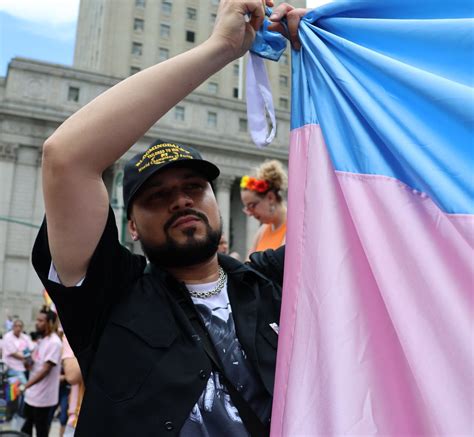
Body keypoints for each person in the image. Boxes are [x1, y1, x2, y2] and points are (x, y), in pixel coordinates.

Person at [31, 1, 307, 435]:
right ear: (133, 227)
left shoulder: (275, 281)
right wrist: (222, 48)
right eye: (157, 196)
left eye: (194, 188)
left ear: (217, 202)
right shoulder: (110, 296)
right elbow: (65, 157)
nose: (180, 200)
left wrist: (320, 60)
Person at [21, 308, 63, 437]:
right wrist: (26, 359)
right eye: (37, 320)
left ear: (50, 322)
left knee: (41, 429)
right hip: (32, 394)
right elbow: (33, 364)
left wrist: (25, 385)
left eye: (41, 320)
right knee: (27, 425)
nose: (37, 323)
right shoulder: (41, 340)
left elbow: (45, 370)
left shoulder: (54, 343)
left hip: (43, 397)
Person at [240, 160, 288, 254]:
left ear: (270, 198)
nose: (249, 213)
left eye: (252, 206)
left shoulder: (293, 228)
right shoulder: (262, 231)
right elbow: (248, 265)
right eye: (247, 208)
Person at [2, 319, 34, 421]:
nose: (18, 328)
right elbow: (14, 353)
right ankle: (11, 414)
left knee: (18, 393)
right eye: (16, 326)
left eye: (20, 326)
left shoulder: (25, 337)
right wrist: (26, 355)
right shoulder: (7, 337)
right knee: (17, 392)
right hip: (12, 369)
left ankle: (19, 414)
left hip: (25, 369)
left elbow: (32, 348)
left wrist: (26, 354)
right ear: (13, 327)